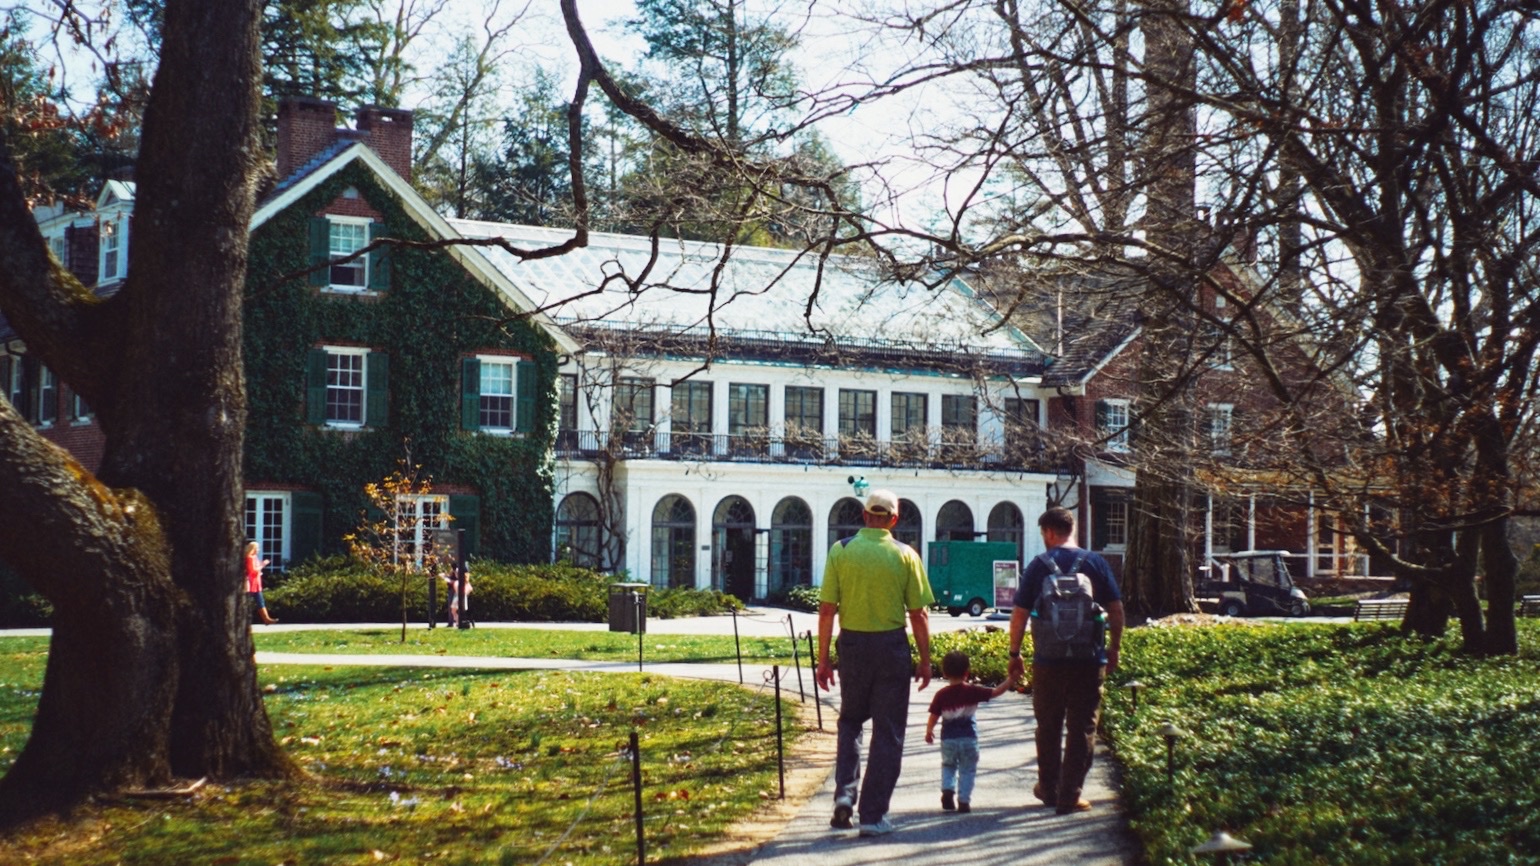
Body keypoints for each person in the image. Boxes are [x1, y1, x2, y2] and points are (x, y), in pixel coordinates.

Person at [815, 489, 934, 838]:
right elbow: (919, 614)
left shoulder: (841, 550)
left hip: (852, 645)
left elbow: (826, 609)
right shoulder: (906, 554)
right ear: (894, 520)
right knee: (888, 731)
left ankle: (844, 794)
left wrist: (823, 660)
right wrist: (925, 660)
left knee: (850, 720)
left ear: (865, 515)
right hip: (891, 648)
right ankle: (873, 814)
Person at [1007, 506, 1123, 815]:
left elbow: (1019, 615)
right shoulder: (1095, 563)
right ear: (1072, 529)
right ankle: (1070, 794)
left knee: (1048, 725)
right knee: (1082, 726)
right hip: (1089, 659)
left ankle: (1049, 788)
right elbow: (1116, 609)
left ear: (1048, 532)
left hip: (1048, 661)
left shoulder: (1038, 566)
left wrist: (1014, 654)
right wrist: (1114, 648)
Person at [924, 649, 1017, 813]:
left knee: (948, 765)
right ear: (967, 672)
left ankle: (948, 789)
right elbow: (996, 692)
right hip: (969, 739)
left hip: (948, 740)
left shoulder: (941, 695)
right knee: (967, 769)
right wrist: (1011, 679)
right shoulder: (973, 691)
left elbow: (934, 715)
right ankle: (964, 800)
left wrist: (929, 730)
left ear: (944, 673)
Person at [244, 541, 278, 625]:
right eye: (257, 548)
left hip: (256, 582)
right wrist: (263, 564)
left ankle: (266, 619)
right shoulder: (249, 558)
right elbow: (252, 571)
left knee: (260, 601)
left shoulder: (254, 557)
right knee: (247, 602)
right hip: (250, 583)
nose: (258, 550)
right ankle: (244, 620)